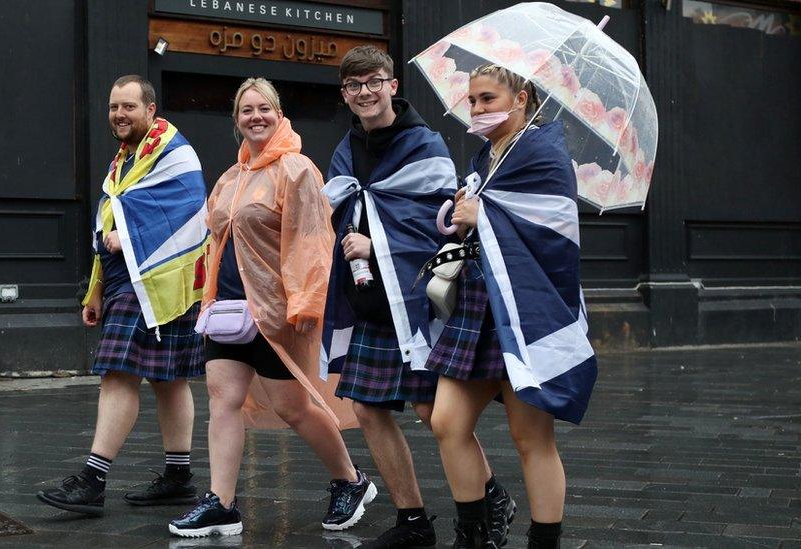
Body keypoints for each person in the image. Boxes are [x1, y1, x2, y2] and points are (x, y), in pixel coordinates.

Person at [320, 46, 514, 549]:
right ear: (345, 94)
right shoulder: (346, 147)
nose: (364, 92)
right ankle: (413, 521)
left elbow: (439, 229)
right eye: (353, 85)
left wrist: (376, 241)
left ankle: (491, 497)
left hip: (414, 301)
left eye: (373, 82)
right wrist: (353, 236)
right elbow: (343, 203)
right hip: (366, 297)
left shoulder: (424, 144)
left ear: (392, 86)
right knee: (366, 407)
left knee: (434, 414)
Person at [168, 77, 374, 538]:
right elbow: (214, 240)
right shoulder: (231, 177)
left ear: (279, 115)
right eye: (246, 110)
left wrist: (303, 301)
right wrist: (205, 296)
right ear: (236, 120)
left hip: (274, 309)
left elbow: (313, 239)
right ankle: (221, 503)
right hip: (227, 309)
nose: (255, 117)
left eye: (264, 108)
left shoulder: (296, 169)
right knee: (223, 398)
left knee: (292, 406)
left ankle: (351, 479)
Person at [427, 64, 598, 548]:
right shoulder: (489, 154)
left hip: (525, 310)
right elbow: (491, 219)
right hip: (479, 307)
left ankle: (545, 541)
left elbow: (555, 233)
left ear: (521, 98)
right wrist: (465, 215)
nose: (477, 109)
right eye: (473, 100)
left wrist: (485, 214)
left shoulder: (543, 153)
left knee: (531, 437)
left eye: (486, 98)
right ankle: (473, 534)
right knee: (446, 421)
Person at [36, 75, 210, 516]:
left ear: (151, 110)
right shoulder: (125, 160)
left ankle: (93, 480)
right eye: (114, 107)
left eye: (129, 106)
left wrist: (126, 237)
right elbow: (109, 219)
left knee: (118, 373)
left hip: (156, 278)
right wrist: (94, 290)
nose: (119, 114)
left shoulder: (176, 152)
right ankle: (178, 476)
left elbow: (187, 209)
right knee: (168, 377)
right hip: (128, 280)